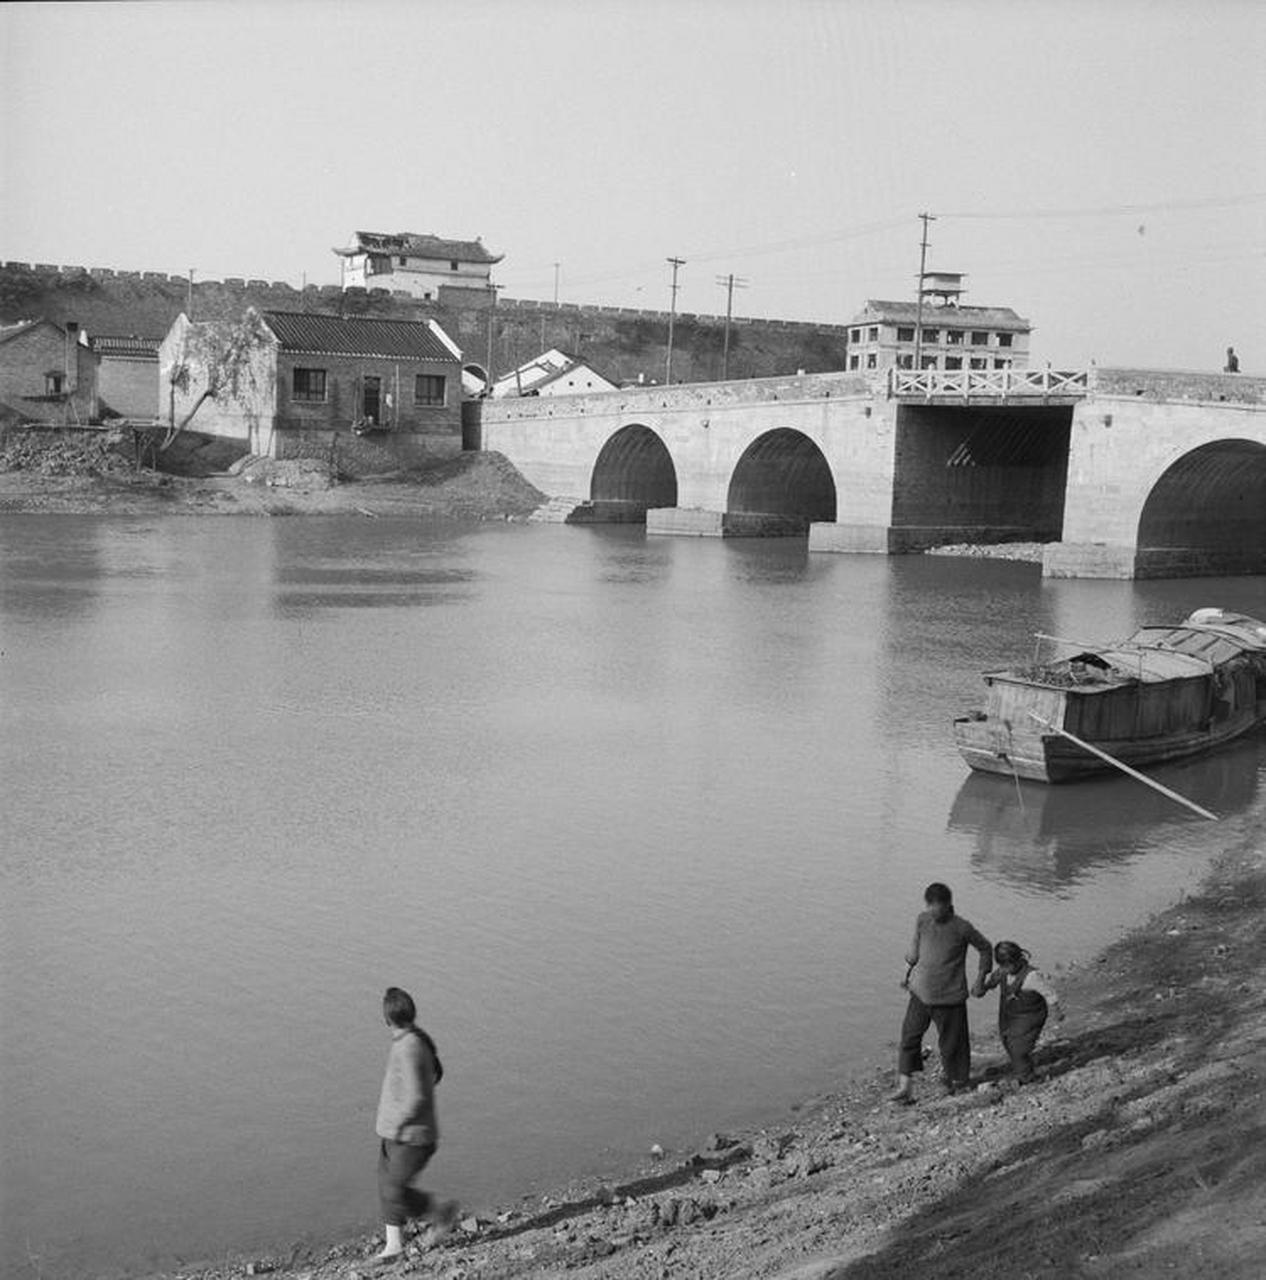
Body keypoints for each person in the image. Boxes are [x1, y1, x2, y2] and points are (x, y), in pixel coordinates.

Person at [373, 987, 455, 1263]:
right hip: (395, 1135)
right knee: (387, 1187)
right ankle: (393, 1245)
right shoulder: (411, 1040)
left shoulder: (409, 1046)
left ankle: (441, 1212)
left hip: (412, 1138)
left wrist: (397, 1125)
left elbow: (416, 1096)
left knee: (395, 1190)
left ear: (387, 1019)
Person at [890, 882, 992, 1103]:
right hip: (920, 993)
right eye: (931, 907)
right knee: (909, 1037)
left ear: (948, 905)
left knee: (952, 1043)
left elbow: (985, 948)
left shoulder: (962, 927)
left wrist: (981, 978)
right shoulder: (922, 920)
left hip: (950, 996)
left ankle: (957, 1082)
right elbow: (915, 948)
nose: (934, 911)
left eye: (939, 907)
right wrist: (906, 971)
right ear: (927, 905)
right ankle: (905, 1087)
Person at [981, 940, 1064, 1084]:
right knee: (1007, 1039)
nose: (1005, 969)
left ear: (1019, 960)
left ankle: (1027, 1076)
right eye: (1002, 966)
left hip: (1030, 1015)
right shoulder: (1002, 972)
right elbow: (991, 983)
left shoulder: (1032, 976)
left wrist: (1056, 1011)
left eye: (1008, 966)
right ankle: (1021, 1066)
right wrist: (984, 986)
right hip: (1009, 1014)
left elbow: (1049, 993)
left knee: (1019, 1047)